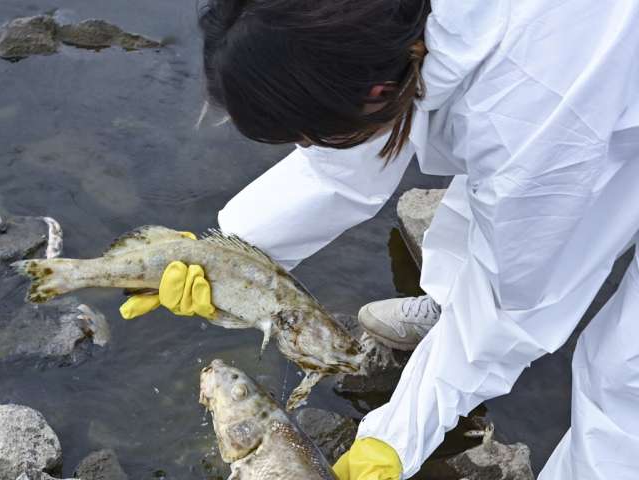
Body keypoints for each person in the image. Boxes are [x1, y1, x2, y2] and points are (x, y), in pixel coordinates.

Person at [121, 0, 639, 478]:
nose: (311, 146)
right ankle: (447, 312)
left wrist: (396, 438)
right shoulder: (366, 27)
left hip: (583, 97)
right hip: (577, 92)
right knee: (476, 217)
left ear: (377, 91)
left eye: (308, 136)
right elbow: (343, 164)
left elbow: (515, 303)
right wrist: (226, 255)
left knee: (621, 375)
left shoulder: (527, 111)